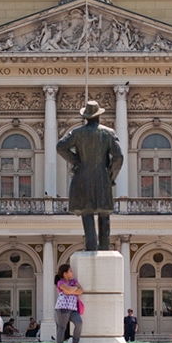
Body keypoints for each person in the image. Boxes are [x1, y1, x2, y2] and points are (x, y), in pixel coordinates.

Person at [56, 100, 124, 251]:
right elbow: (119, 157)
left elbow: (60, 147)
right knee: (104, 214)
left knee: (86, 214)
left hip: (83, 177)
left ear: (86, 117)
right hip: (102, 176)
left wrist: (76, 161)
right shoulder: (108, 133)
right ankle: (104, 247)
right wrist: (111, 176)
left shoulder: (77, 132)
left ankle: (91, 247)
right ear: (99, 116)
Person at [54, 263, 84, 343]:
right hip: (62, 308)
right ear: (65, 273)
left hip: (73, 308)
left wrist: (71, 290)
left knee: (79, 322)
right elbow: (74, 290)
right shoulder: (60, 282)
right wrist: (74, 289)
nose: (72, 272)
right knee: (62, 327)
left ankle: (75, 342)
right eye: (70, 271)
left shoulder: (73, 281)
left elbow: (81, 290)